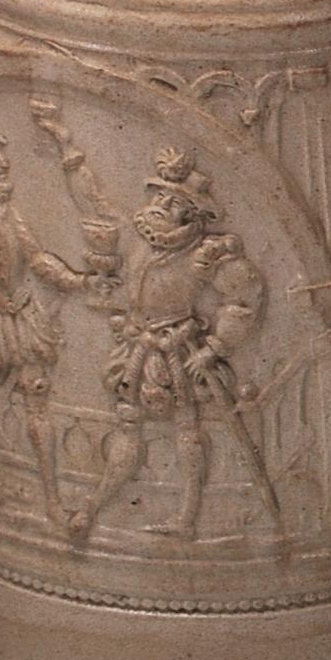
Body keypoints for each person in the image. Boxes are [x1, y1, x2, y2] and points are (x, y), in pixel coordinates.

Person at [68, 146, 282, 542]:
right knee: (127, 427)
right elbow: (92, 200)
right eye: (159, 197)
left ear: (193, 215)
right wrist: (68, 148)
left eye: (174, 202)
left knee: (188, 432)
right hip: (139, 349)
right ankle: (94, 506)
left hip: (179, 352)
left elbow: (246, 298)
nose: (161, 205)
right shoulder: (141, 243)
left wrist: (214, 347)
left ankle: (187, 519)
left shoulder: (206, 255)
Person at [0, 107, 95, 521]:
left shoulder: (9, 209)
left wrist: (74, 281)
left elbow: (36, 256)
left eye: (2, 153)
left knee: (35, 395)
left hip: (22, 310)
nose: (2, 161)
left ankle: (52, 502)